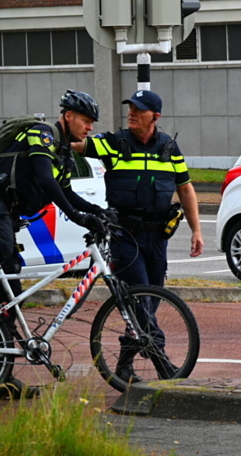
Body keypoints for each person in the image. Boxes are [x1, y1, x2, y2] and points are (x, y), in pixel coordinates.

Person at [73, 89, 203, 383]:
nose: (131, 113)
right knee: (141, 302)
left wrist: (197, 230)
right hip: (125, 239)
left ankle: (123, 368)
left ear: (155, 116)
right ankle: (163, 363)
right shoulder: (113, 143)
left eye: (138, 109)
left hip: (158, 239)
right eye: (130, 107)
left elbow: (185, 188)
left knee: (146, 305)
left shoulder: (170, 148)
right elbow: (76, 143)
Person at [0, 90, 111, 396]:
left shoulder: (62, 151)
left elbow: (66, 191)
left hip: (7, 211)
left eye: (92, 123)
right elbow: (46, 182)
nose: (89, 127)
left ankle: (4, 377)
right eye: (86, 121)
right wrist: (77, 216)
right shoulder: (43, 135)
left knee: (10, 294)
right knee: (4, 262)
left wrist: (98, 212)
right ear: (68, 116)